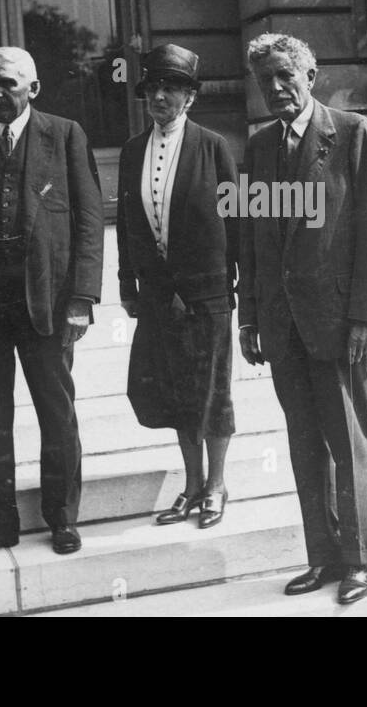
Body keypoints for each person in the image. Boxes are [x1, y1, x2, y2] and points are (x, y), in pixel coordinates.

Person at [238, 33, 367, 605]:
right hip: (283, 327)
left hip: (337, 321)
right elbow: (255, 241)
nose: (277, 88)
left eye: (286, 76)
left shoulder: (353, 134)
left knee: (348, 443)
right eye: (267, 80)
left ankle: (360, 560)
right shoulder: (259, 149)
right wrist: (249, 318)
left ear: (311, 76)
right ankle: (323, 556)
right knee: (305, 445)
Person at [0, 46, 104, 564]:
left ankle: (63, 518)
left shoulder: (65, 135)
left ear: (32, 88)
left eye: (7, 84)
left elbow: (89, 220)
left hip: (47, 302)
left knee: (57, 414)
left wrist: (81, 298)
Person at [117, 44, 239, 529]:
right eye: (153, 88)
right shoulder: (131, 152)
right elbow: (127, 226)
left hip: (206, 296)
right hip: (158, 296)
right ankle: (191, 485)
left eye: (171, 88)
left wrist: (239, 291)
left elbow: (237, 224)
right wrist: (129, 284)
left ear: (189, 96)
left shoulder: (214, 147)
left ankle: (217, 485)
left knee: (211, 392)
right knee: (171, 391)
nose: (160, 96)